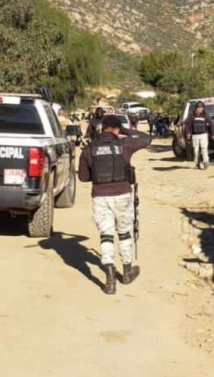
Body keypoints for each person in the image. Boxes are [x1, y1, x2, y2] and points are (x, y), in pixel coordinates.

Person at [78, 115, 152, 295]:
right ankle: (127, 272)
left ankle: (110, 279)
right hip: (122, 195)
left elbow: (83, 177)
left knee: (106, 236)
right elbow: (147, 138)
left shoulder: (89, 149)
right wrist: (125, 131)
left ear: (101, 129)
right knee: (124, 233)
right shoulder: (125, 144)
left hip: (100, 197)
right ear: (117, 129)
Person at [183, 102, 214, 170]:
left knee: (204, 149)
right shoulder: (191, 115)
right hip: (195, 135)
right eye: (198, 108)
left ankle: (206, 162)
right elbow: (187, 125)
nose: (200, 109)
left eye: (201, 108)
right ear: (196, 108)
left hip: (204, 134)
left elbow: (211, 124)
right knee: (196, 150)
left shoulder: (205, 114)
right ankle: (197, 163)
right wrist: (188, 133)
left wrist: (213, 134)